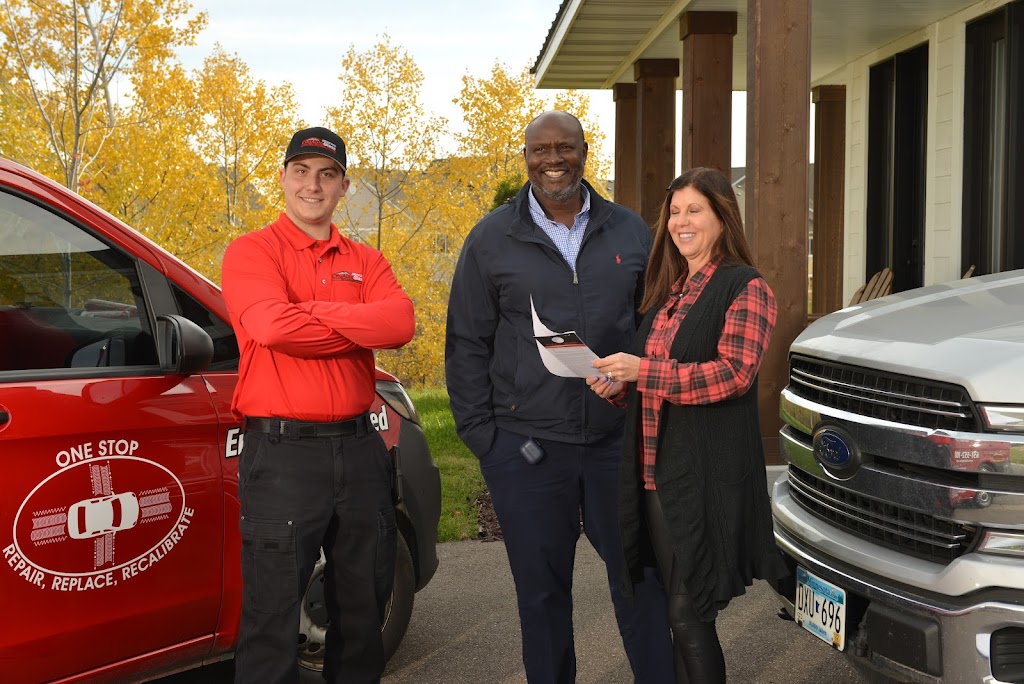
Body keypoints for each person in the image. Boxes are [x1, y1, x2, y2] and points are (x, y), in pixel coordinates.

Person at [445, 110, 674, 684]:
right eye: (539, 150)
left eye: (564, 148)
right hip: (526, 451)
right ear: (525, 157)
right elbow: (466, 341)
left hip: (613, 441)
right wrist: (485, 441)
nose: (552, 160)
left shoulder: (628, 231)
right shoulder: (492, 238)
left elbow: (655, 327)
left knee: (639, 580)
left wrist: (636, 379)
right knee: (542, 596)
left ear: (584, 151)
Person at [221, 126, 415, 684]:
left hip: (360, 451)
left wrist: (311, 311)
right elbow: (269, 326)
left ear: (344, 186)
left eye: (327, 175)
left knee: (361, 611)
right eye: (302, 172)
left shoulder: (366, 258)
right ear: (283, 178)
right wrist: (356, 323)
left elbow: (399, 323)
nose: (313, 185)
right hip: (282, 456)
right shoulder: (251, 251)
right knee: (271, 619)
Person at [590, 167, 789, 683]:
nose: (681, 221)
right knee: (680, 617)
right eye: (674, 211)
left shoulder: (746, 288)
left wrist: (642, 371)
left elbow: (734, 374)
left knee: (689, 613)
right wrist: (621, 385)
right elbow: (657, 377)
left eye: (694, 210)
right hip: (656, 476)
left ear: (723, 217)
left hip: (704, 476)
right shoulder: (670, 293)